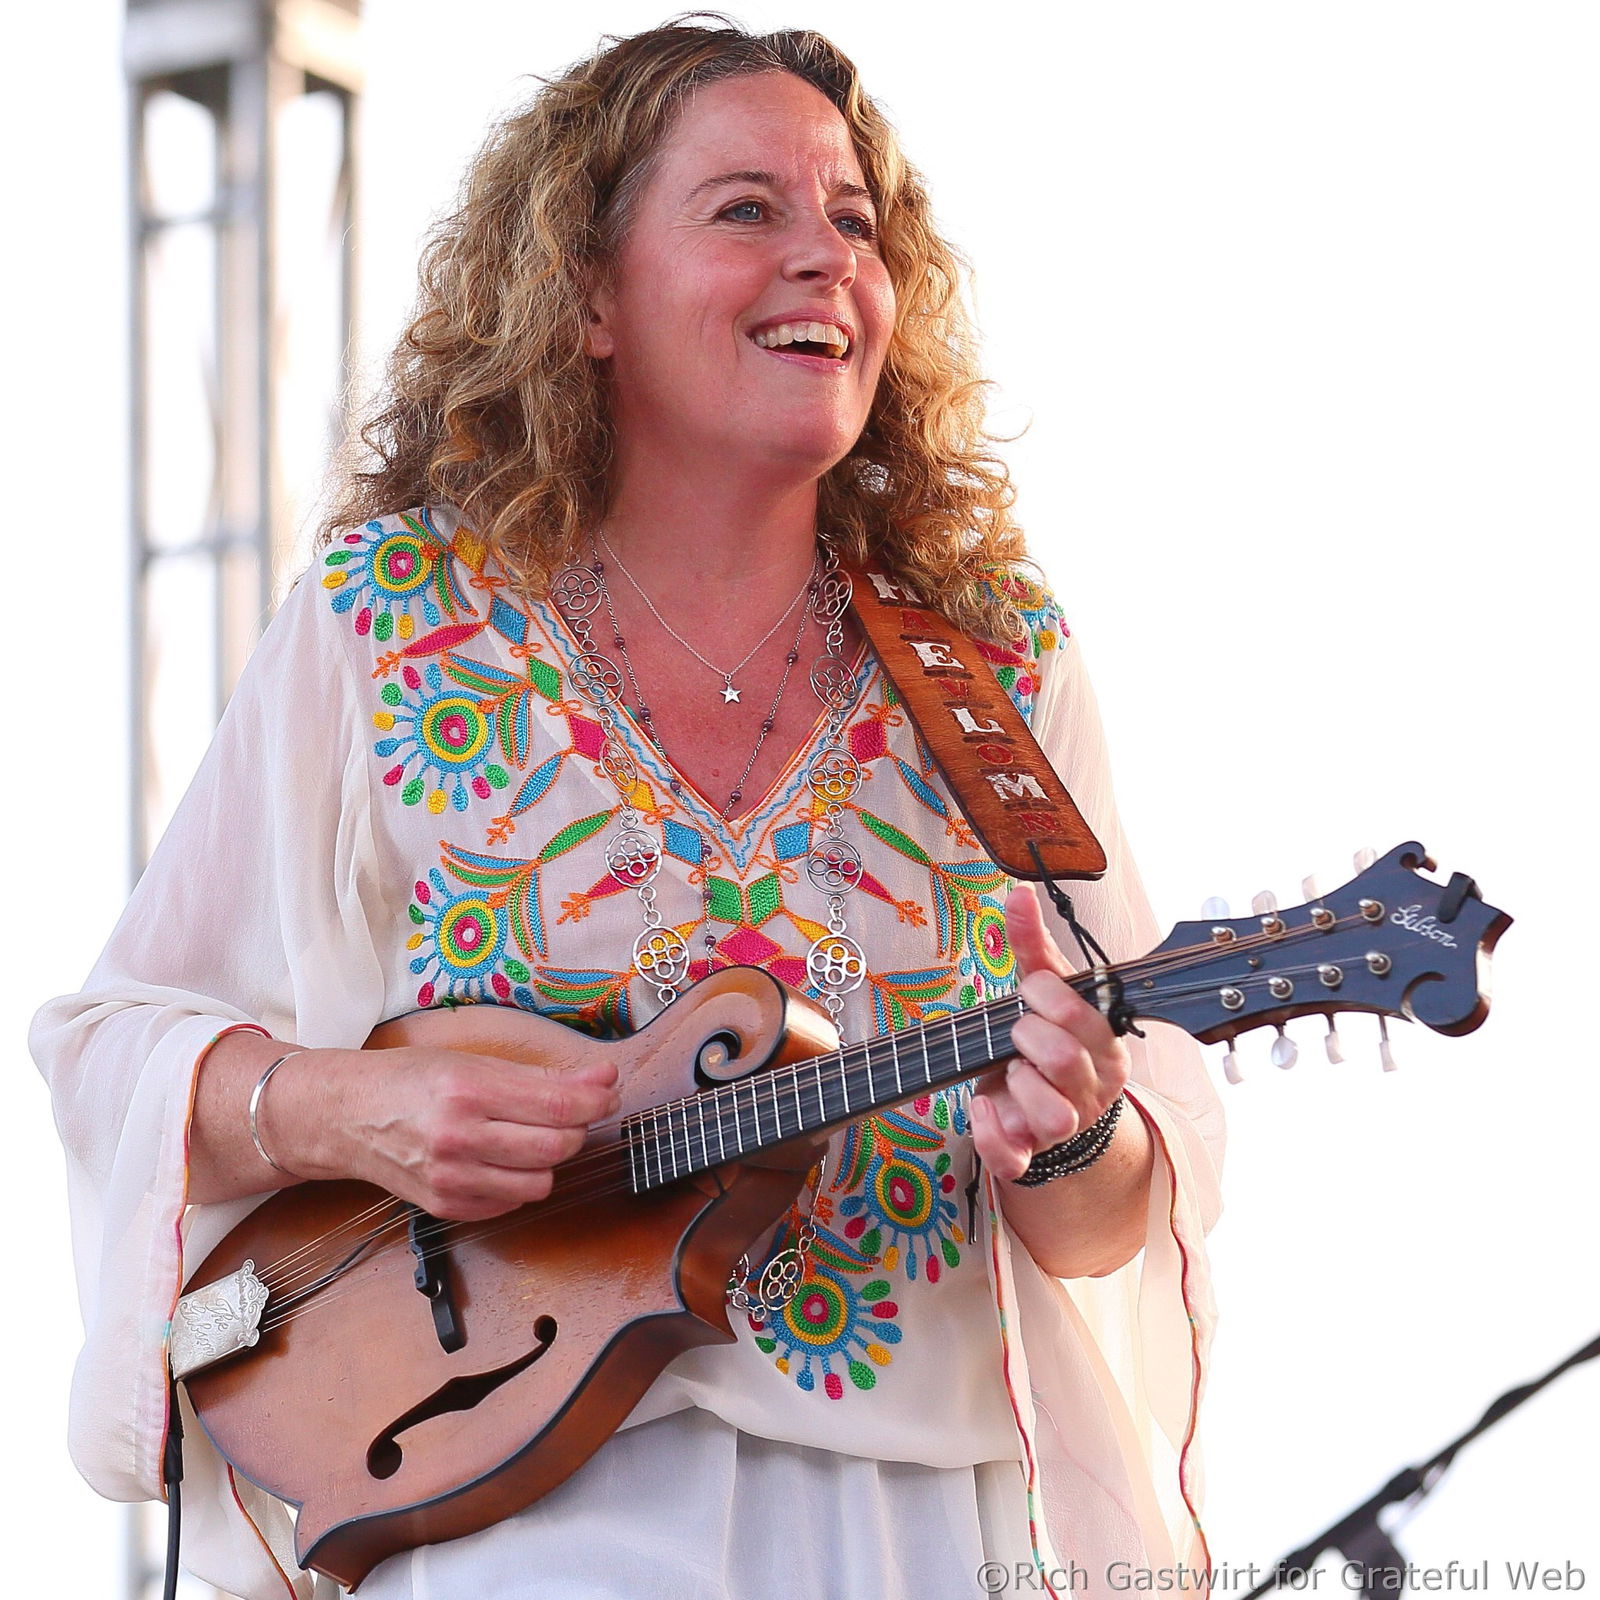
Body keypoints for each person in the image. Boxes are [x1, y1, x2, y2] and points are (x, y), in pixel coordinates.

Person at [33, 17, 1224, 1600]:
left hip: (931, 1532)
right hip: (512, 1524)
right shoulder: (397, 617)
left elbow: (1121, 1207)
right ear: (587, 297)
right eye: (747, 210)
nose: (825, 257)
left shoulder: (994, 658)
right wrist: (348, 1109)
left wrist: (1072, 1143)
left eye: (854, 221)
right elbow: (115, 1040)